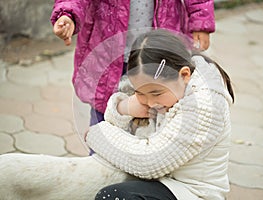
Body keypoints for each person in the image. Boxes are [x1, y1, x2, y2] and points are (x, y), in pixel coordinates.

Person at [85, 29, 234, 200]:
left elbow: (149, 163)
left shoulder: (204, 107)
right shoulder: (164, 91)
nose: (149, 103)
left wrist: (96, 134)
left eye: (156, 93)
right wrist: (123, 108)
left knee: (114, 196)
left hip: (192, 192)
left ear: (184, 75)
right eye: (140, 93)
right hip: (164, 180)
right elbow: (124, 128)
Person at [50, 0, 215, 126]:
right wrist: (67, 14)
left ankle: (152, 157)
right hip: (107, 51)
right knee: (105, 107)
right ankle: (102, 155)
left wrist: (200, 21)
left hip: (157, 53)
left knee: (160, 107)